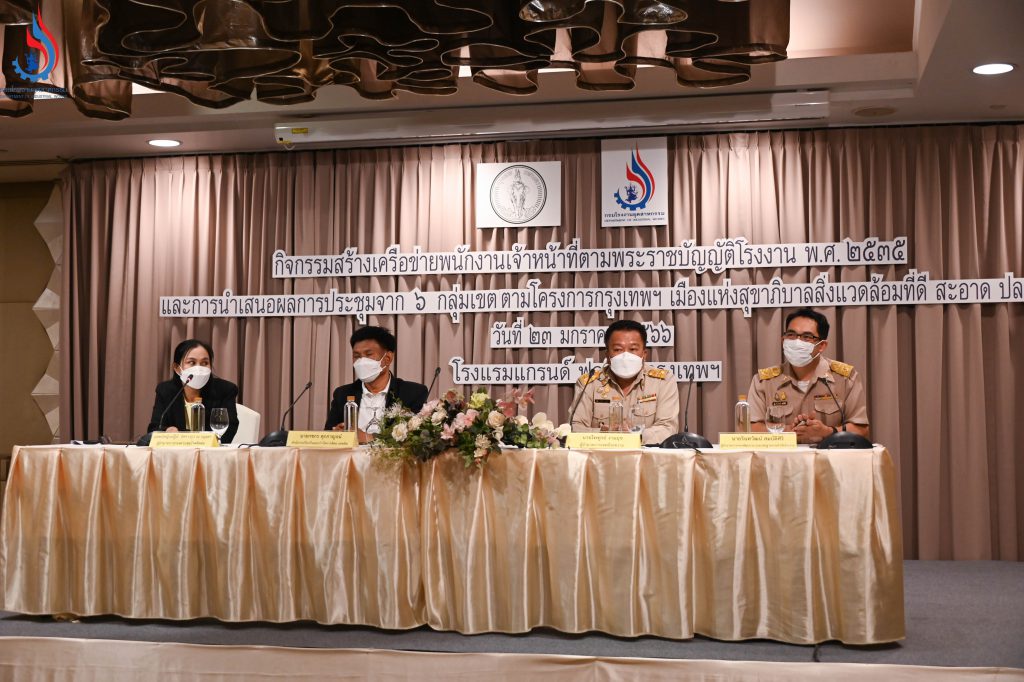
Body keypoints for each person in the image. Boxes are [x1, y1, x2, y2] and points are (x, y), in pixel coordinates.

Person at [747, 308, 870, 445]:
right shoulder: (764, 381)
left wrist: (827, 432)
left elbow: (861, 429)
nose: (797, 342)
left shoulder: (846, 378)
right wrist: (788, 431)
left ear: (821, 345)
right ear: (783, 340)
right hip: (781, 457)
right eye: (791, 335)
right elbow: (750, 428)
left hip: (829, 456)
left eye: (806, 337)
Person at [570, 319, 680, 445]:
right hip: (602, 455)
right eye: (618, 349)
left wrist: (635, 436)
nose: (625, 356)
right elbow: (575, 427)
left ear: (644, 354)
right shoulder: (589, 383)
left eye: (633, 349)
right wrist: (604, 434)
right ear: (607, 355)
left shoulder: (663, 382)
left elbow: (668, 428)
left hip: (646, 456)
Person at [325, 325, 429, 442]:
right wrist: (336, 434)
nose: (361, 361)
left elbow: (417, 437)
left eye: (368, 355)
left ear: (387, 358)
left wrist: (368, 437)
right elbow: (328, 435)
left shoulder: (413, 393)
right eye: (357, 356)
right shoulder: (342, 394)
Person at [146, 339, 239, 442]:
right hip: (176, 450)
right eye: (192, 362)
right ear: (177, 368)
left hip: (211, 450)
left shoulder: (225, 390)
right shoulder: (165, 391)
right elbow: (154, 428)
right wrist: (167, 431)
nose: (198, 368)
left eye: (205, 363)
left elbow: (229, 428)